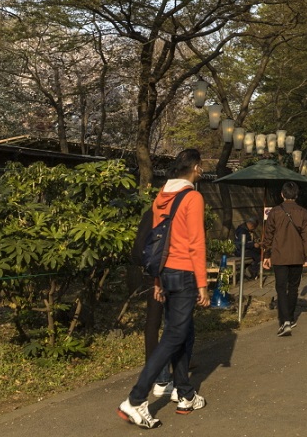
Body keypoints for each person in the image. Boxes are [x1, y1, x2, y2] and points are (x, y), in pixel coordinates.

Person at [118, 149, 209, 429]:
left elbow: (157, 242)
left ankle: (185, 394)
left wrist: (157, 279)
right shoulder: (192, 197)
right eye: (201, 167)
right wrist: (203, 284)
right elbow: (196, 242)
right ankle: (134, 399)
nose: (202, 172)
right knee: (174, 335)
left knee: (183, 331)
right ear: (194, 168)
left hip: (166, 272)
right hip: (184, 273)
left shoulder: (162, 197)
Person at [129, 197, 173, 403]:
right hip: (167, 275)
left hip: (149, 273)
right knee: (172, 324)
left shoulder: (149, 214)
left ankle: (153, 370)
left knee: (152, 324)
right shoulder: (170, 215)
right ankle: (163, 377)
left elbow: (138, 249)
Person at [260, 181, 307, 336]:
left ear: (282, 195)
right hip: (297, 255)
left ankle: (285, 321)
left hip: (279, 255)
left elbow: (268, 234)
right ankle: (290, 317)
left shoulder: (275, 212)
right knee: (294, 287)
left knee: (281, 288)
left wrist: (266, 255)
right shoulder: (303, 212)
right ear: (296, 195)